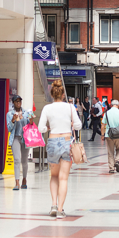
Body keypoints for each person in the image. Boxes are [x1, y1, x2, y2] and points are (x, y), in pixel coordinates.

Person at [38, 79, 81, 219]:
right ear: (63, 95)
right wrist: (71, 123)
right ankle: (61, 210)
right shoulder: (69, 107)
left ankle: (53, 205)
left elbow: (40, 128)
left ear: (52, 94)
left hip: (52, 141)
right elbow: (78, 126)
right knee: (63, 178)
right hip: (66, 142)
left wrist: (48, 128)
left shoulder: (47, 108)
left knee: (54, 176)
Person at [6, 95, 35, 191]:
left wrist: (30, 120)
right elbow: (9, 128)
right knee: (17, 160)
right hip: (15, 138)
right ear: (13, 103)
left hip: (25, 138)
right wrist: (13, 120)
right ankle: (17, 181)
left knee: (24, 161)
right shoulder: (9, 114)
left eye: (19, 101)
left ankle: (24, 179)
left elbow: (30, 125)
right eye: (16, 101)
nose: (18, 102)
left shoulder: (26, 112)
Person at [101, 99, 119, 173]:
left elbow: (102, 126)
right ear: (118, 105)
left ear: (111, 105)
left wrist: (102, 135)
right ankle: (117, 161)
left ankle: (111, 168)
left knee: (110, 151)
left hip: (109, 135)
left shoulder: (106, 113)